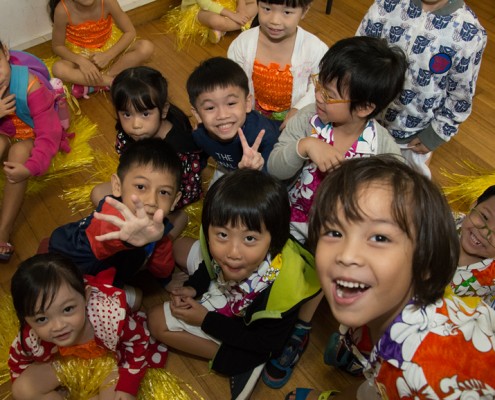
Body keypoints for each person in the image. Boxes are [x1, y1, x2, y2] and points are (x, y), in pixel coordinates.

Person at [284, 155, 495, 400]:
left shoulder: (420, 378)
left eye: (380, 238)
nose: (347, 255)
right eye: (334, 232)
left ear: (428, 262)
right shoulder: (401, 330)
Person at [262, 37, 406, 389]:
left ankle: (300, 329)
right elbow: (275, 169)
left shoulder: (382, 150)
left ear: (365, 107)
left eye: (330, 94)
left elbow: (396, 202)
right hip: (290, 222)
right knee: (270, 277)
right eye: (319, 85)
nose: (319, 97)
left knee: (322, 271)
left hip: (338, 242)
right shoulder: (309, 121)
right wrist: (304, 146)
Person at [146, 169, 320, 400]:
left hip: (247, 339)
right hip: (227, 289)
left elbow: (265, 343)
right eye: (222, 235)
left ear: (274, 240)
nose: (233, 252)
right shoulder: (229, 249)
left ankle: (240, 363)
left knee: (156, 321)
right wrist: (194, 287)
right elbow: (211, 262)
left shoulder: (283, 293)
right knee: (178, 247)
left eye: (249, 238)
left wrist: (205, 320)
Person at [8, 253, 167, 400]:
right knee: (22, 390)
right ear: (26, 320)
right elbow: (18, 361)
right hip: (64, 364)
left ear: (86, 296)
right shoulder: (30, 336)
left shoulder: (108, 316)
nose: (58, 326)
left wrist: (127, 386)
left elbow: (139, 341)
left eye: (68, 309)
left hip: (109, 364)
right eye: (42, 319)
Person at [356, 0, 487, 177]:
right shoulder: (386, 4)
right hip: (364, 119)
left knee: (403, 185)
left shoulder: (470, 34)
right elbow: (356, 53)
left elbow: (460, 95)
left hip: (411, 139)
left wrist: (436, 134)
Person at [48, 138, 182, 310]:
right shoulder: (109, 216)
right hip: (70, 262)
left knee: (135, 298)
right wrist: (128, 240)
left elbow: (162, 256)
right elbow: (102, 243)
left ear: (174, 200)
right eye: (141, 187)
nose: (151, 201)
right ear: (117, 186)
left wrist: (166, 279)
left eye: (163, 192)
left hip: (109, 270)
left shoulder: (159, 227)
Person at [88, 66, 205, 238]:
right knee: (97, 194)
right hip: (141, 189)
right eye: (127, 114)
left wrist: (154, 202)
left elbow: (185, 189)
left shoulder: (179, 147)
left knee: (158, 237)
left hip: (165, 200)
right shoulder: (127, 135)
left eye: (145, 114)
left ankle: (179, 218)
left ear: (163, 110)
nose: (136, 125)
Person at [0, 41, 70, 261]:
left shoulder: (31, 86)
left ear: (5, 53)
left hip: (32, 132)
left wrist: (30, 168)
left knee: (19, 154)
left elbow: (48, 135)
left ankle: (3, 230)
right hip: (5, 129)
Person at [227, 0, 328, 129]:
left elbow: (321, 85)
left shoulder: (315, 49)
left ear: (305, 10)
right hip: (252, 117)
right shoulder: (242, 44)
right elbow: (233, 83)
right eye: (267, 9)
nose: (274, 20)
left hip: (298, 121)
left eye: (287, 12)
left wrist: (298, 109)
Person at [187, 56, 281, 183]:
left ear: (247, 103)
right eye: (210, 108)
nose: (222, 115)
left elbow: (275, 178)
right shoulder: (200, 136)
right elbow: (198, 159)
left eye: (231, 103)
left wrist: (252, 172)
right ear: (197, 114)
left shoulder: (264, 135)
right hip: (235, 172)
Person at [48, 0, 154, 98]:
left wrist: (108, 55)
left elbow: (130, 32)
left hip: (111, 48)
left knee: (146, 47)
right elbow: (57, 46)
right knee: (58, 68)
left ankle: (92, 84)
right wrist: (81, 61)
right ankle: (111, 82)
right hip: (81, 54)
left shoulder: (108, 2)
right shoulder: (62, 10)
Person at [452, 184, 495, 307]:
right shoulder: (438, 219)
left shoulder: (490, 288)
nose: (485, 232)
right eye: (484, 217)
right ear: (474, 205)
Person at [163, 0, 258, 48]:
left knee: (256, 3)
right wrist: (233, 15)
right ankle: (246, 22)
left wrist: (241, 6)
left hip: (222, 3)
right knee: (216, 21)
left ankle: (226, 26)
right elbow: (205, 4)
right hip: (198, 8)